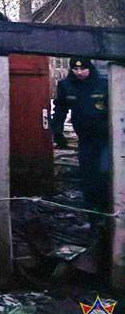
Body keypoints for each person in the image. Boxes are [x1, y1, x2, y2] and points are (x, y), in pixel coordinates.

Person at [51, 57, 110, 212]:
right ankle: (92, 213)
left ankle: (107, 210)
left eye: (83, 69)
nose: (79, 72)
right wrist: (57, 131)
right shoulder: (67, 85)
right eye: (75, 69)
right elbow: (60, 109)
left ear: (90, 68)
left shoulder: (103, 84)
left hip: (106, 138)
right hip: (85, 138)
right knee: (87, 174)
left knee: (104, 172)